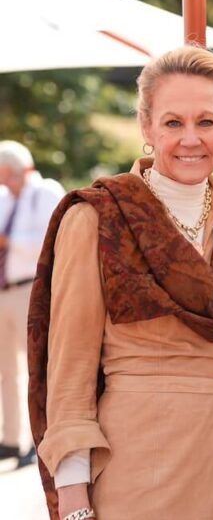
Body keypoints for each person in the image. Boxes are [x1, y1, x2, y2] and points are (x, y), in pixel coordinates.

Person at [28, 46, 213, 520]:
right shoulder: (98, 217)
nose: (190, 139)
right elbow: (70, 367)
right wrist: (74, 491)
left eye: (205, 122)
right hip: (138, 463)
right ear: (146, 127)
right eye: (172, 123)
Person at [0, 141, 64, 469]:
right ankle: (11, 439)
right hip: (3, 290)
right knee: (5, 371)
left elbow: (52, 241)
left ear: (17, 170)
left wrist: (10, 242)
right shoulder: (3, 198)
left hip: (31, 290)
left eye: (6, 176)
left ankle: (38, 440)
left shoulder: (46, 192)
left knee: (35, 368)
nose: (3, 183)